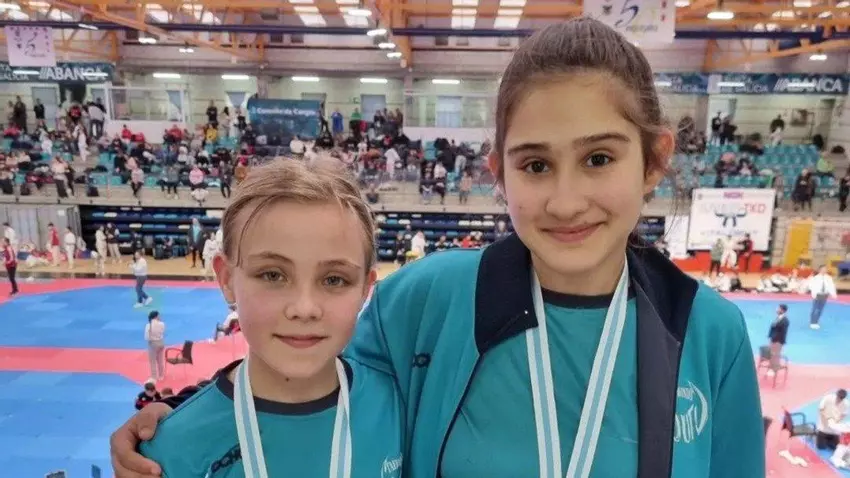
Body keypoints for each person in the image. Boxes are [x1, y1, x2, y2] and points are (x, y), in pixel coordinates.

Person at [110, 19, 764, 478]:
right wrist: (180, 424)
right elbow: (309, 377)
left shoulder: (707, 333)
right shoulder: (428, 299)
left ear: (654, 160)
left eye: (598, 158)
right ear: (498, 173)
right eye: (535, 165)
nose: (566, 201)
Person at [136, 158, 403, 477]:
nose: (304, 308)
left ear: (364, 289)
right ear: (227, 280)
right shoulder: (171, 448)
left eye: (334, 279)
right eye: (273, 275)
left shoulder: (399, 408)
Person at [808, 265, 837, 330]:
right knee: (815, 309)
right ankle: (812, 322)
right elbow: (811, 286)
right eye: (823, 269)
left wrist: (833, 294)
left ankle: (816, 321)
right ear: (820, 270)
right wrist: (814, 294)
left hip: (825, 295)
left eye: (825, 269)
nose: (824, 270)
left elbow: (831, 286)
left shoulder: (829, 278)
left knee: (820, 309)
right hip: (817, 294)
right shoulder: (815, 277)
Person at [767, 304, 789, 377]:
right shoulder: (777, 318)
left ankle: (774, 370)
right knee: (771, 354)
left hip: (778, 341)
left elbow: (782, 332)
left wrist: (777, 340)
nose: (777, 310)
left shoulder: (785, 321)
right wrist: (770, 337)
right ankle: (771, 368)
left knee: (776, 355)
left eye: (778, 308)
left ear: (782, 310)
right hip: (773, 339)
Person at [145, 311, 166, 381]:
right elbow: (162, 332)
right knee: (160, 360)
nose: (160, 317)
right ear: (156, 316)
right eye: (159, 315)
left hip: (153, 344)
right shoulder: (162, 324)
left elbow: (146, 337)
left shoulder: (148, 325)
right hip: (161, 343)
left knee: (153, 361)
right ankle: (161, 375)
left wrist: (150, 340)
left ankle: (154, 377)